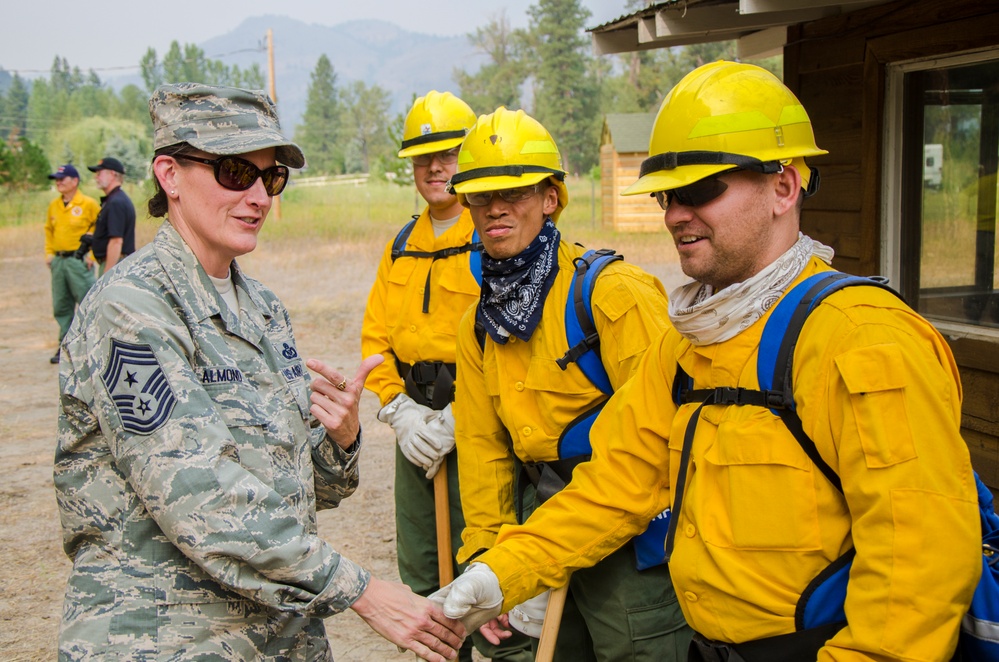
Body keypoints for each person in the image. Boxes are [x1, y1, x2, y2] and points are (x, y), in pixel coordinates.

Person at [434, 62, 982, 661]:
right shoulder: (687, 345)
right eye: (669, 196)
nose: (674, 215)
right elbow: (615, 485)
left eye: (701, 191)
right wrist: (500, 573)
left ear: (784, 186)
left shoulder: (862, 340)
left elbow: (919, 573)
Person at [55, 82, 465, 662]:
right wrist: (362, 591)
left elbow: (305, 489)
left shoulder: (263, 309)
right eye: (232, 172)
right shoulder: (132, 308)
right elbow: (200, 497)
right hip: (166, 637)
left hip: (279, 637)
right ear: (169, 175)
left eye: (269, 178)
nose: (258, 196)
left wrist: (341, 437)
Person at [439, 106, 690, 661]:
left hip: (633, 535)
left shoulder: (613, 294)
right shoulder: (477, 325)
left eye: (518, 192)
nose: (495, 208)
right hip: (540, 517)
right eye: (479, 196)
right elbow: (483, 451)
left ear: (551, 197)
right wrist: (488, 560)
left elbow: (665, 445)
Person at [361, 91, 532, 662]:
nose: (436, 168)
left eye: (450, 153)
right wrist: (399, 412)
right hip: (418, 430)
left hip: (484, 426)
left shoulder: (497, 235)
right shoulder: (402, 245)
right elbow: (375, 339)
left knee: (495, 571)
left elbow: (519, 339)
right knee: (424, 572)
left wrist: (466, 415)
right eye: (422, 157)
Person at [44, 164, 100, 364]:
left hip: (79, 261)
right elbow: (48, 231)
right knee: (61, 305)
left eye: (62, 178)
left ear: (75, 181)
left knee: (86, 302)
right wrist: (49, 253)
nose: (58, 182)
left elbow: (99, 230)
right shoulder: (54, 205)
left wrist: (91, 256)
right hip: (59, 261)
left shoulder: (88, 203)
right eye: (56, 179)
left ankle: (90, 345)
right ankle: (64, 346)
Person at [87, 156, 136, 275]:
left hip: (115, 263)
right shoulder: (114, 199)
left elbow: (116, 241)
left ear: (113, 174)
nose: (96, 177)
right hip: (116, 262)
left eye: (99, 173)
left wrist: (107, 275)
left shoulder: (116, 202)